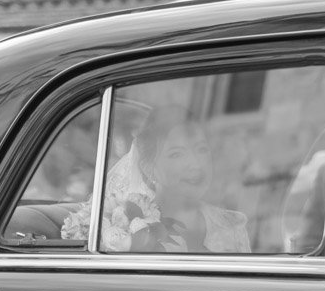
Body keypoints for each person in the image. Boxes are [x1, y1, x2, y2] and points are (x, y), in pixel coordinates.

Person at [65, 105, 250, 253]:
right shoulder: (127, 227)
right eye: (176, 154)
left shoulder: (232, 226)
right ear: (149, 169)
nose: (195, 164)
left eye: (201, 149)